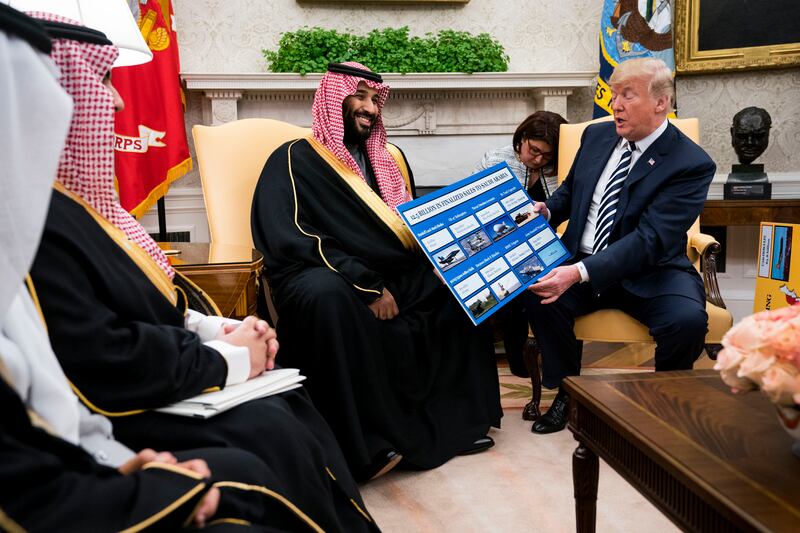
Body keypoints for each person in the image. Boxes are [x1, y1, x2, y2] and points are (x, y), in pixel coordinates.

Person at [0, 6, 365, 532]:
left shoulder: (80, 208)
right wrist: (229, 356)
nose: (119, 101)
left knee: (289, 402)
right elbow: (99, 356)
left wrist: (223, 330)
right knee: (269, 429)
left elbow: (152, 304)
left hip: (155, 380)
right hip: (122, 410)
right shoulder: (37, 219)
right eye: (103, 81)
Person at [251, 62, 502, 480]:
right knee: (326, 296)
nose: (370, 108)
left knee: (462, 279)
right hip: (327, 274)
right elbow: (291, 235)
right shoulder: (293, 158)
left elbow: (410, 229)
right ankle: (365, 444)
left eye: (375, 100)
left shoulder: (384, 161)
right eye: (361, 97)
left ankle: (457, 424)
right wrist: (365, 286)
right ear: (335, 98)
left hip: (391, 273)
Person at [524, 57, 715, 434]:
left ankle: (664, 401)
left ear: (661, 102)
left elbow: (650, 240)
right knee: (538, 294)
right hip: (582, 258)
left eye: (628, 95)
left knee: (687, 321)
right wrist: (547, 210)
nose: (616, 105)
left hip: (652, 271)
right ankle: (568, 391)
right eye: (614, 95)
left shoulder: (690, 163)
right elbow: (571, 192)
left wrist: (577, 273)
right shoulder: (596, 136)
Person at [474, 111, 567, 378]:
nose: (537, 159)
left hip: (549, 248)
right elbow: (474, 206)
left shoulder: (565, 166)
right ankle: (517, 359)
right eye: (533, 150)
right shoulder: (495, 159)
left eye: (546, 155)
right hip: (500, 244)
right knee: (507, 283)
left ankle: (553, 361)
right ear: (522, 137)